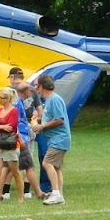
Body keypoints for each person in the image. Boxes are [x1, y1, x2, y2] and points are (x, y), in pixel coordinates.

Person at [33, 74, 70, 205]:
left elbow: (60, 120)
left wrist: (42, 125)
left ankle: (55, 194)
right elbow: (50, 118)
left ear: (43, 86)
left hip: (59, 139)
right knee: (56, 168)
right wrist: (38, 120)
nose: (36, 89)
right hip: (57, 139)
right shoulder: (49, 100)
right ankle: (59, 194)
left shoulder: (54, 99)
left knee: (46, 163)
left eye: (37, 86)